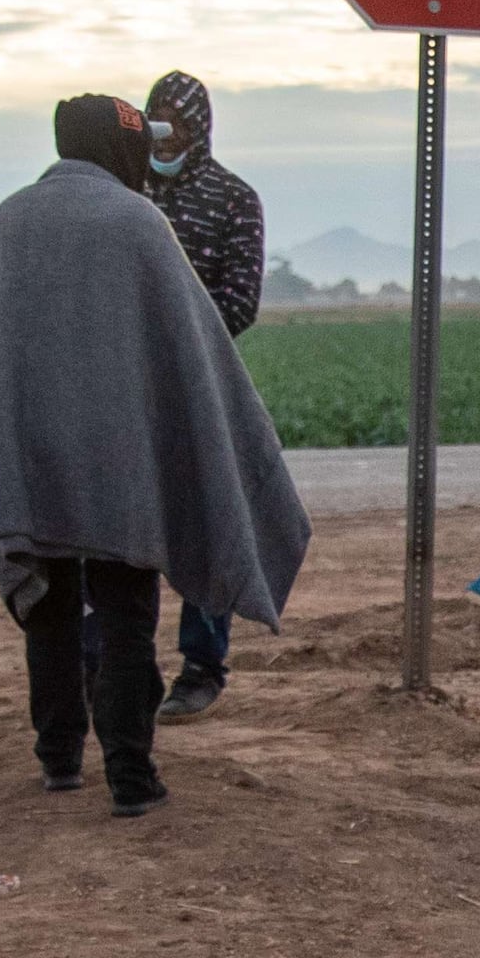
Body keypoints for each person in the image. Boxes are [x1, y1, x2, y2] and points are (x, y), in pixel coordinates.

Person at [0, 94, 310, 817]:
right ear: (121, 148)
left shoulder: (9, 220)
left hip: (35, 457)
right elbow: (195, 346)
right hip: (120, 462)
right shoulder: (136, 221)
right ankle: (130, 775)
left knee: (52, 611)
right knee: (126, 615)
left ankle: (58, 759)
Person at [139, 71, 265, 722]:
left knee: (206, 526)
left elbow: (240, 302)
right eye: (155, 121)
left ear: (200, 128)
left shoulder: (233, 199)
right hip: (131, 391)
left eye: (176, 124)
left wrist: (173, 336)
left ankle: (201, 667)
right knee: (130, 527)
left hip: (203, 388)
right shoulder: (126, 193)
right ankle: (127, 666)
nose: (165, 136)